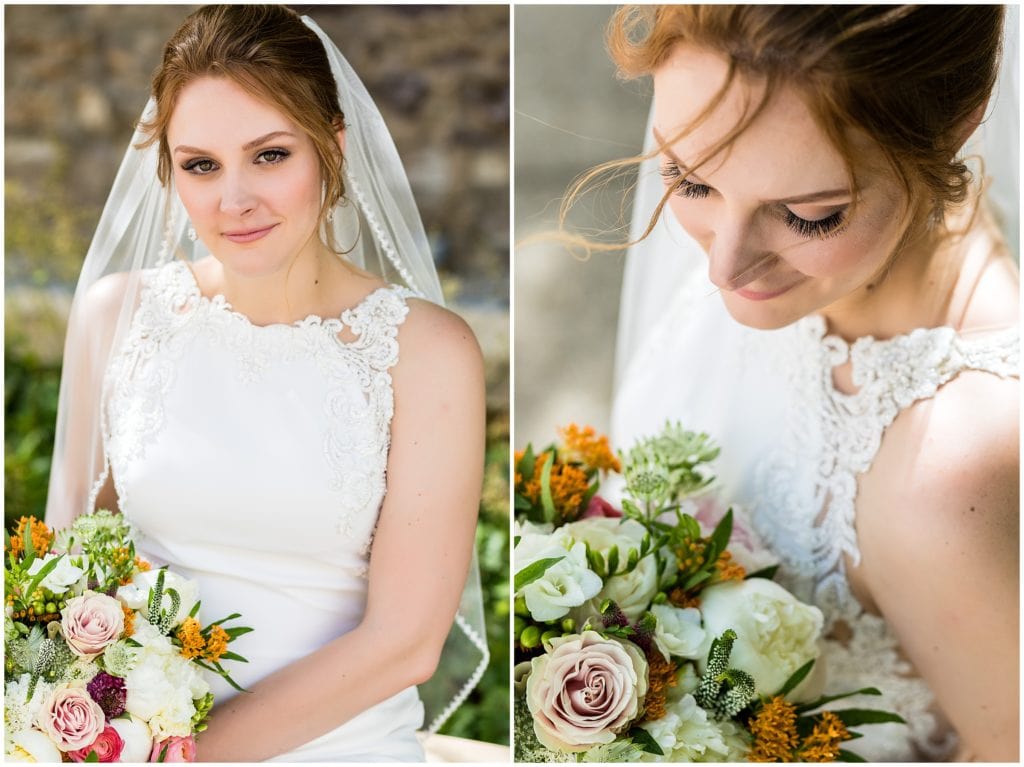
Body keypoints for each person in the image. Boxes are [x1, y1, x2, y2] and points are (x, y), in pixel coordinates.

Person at [556, 5, 1017, 762]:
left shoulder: (951, 473)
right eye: (687, 178)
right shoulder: (798, 256)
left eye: (810, 216)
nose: (722, 269)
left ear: (957, 123)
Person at [44, 5, 490, 761]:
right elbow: (67, 570)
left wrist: (189, 757)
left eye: (271, 156)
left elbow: (406, 642)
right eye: (201, 165)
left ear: (333, 150)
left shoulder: (426, 351)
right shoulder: (114, 318)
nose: (234, 200)